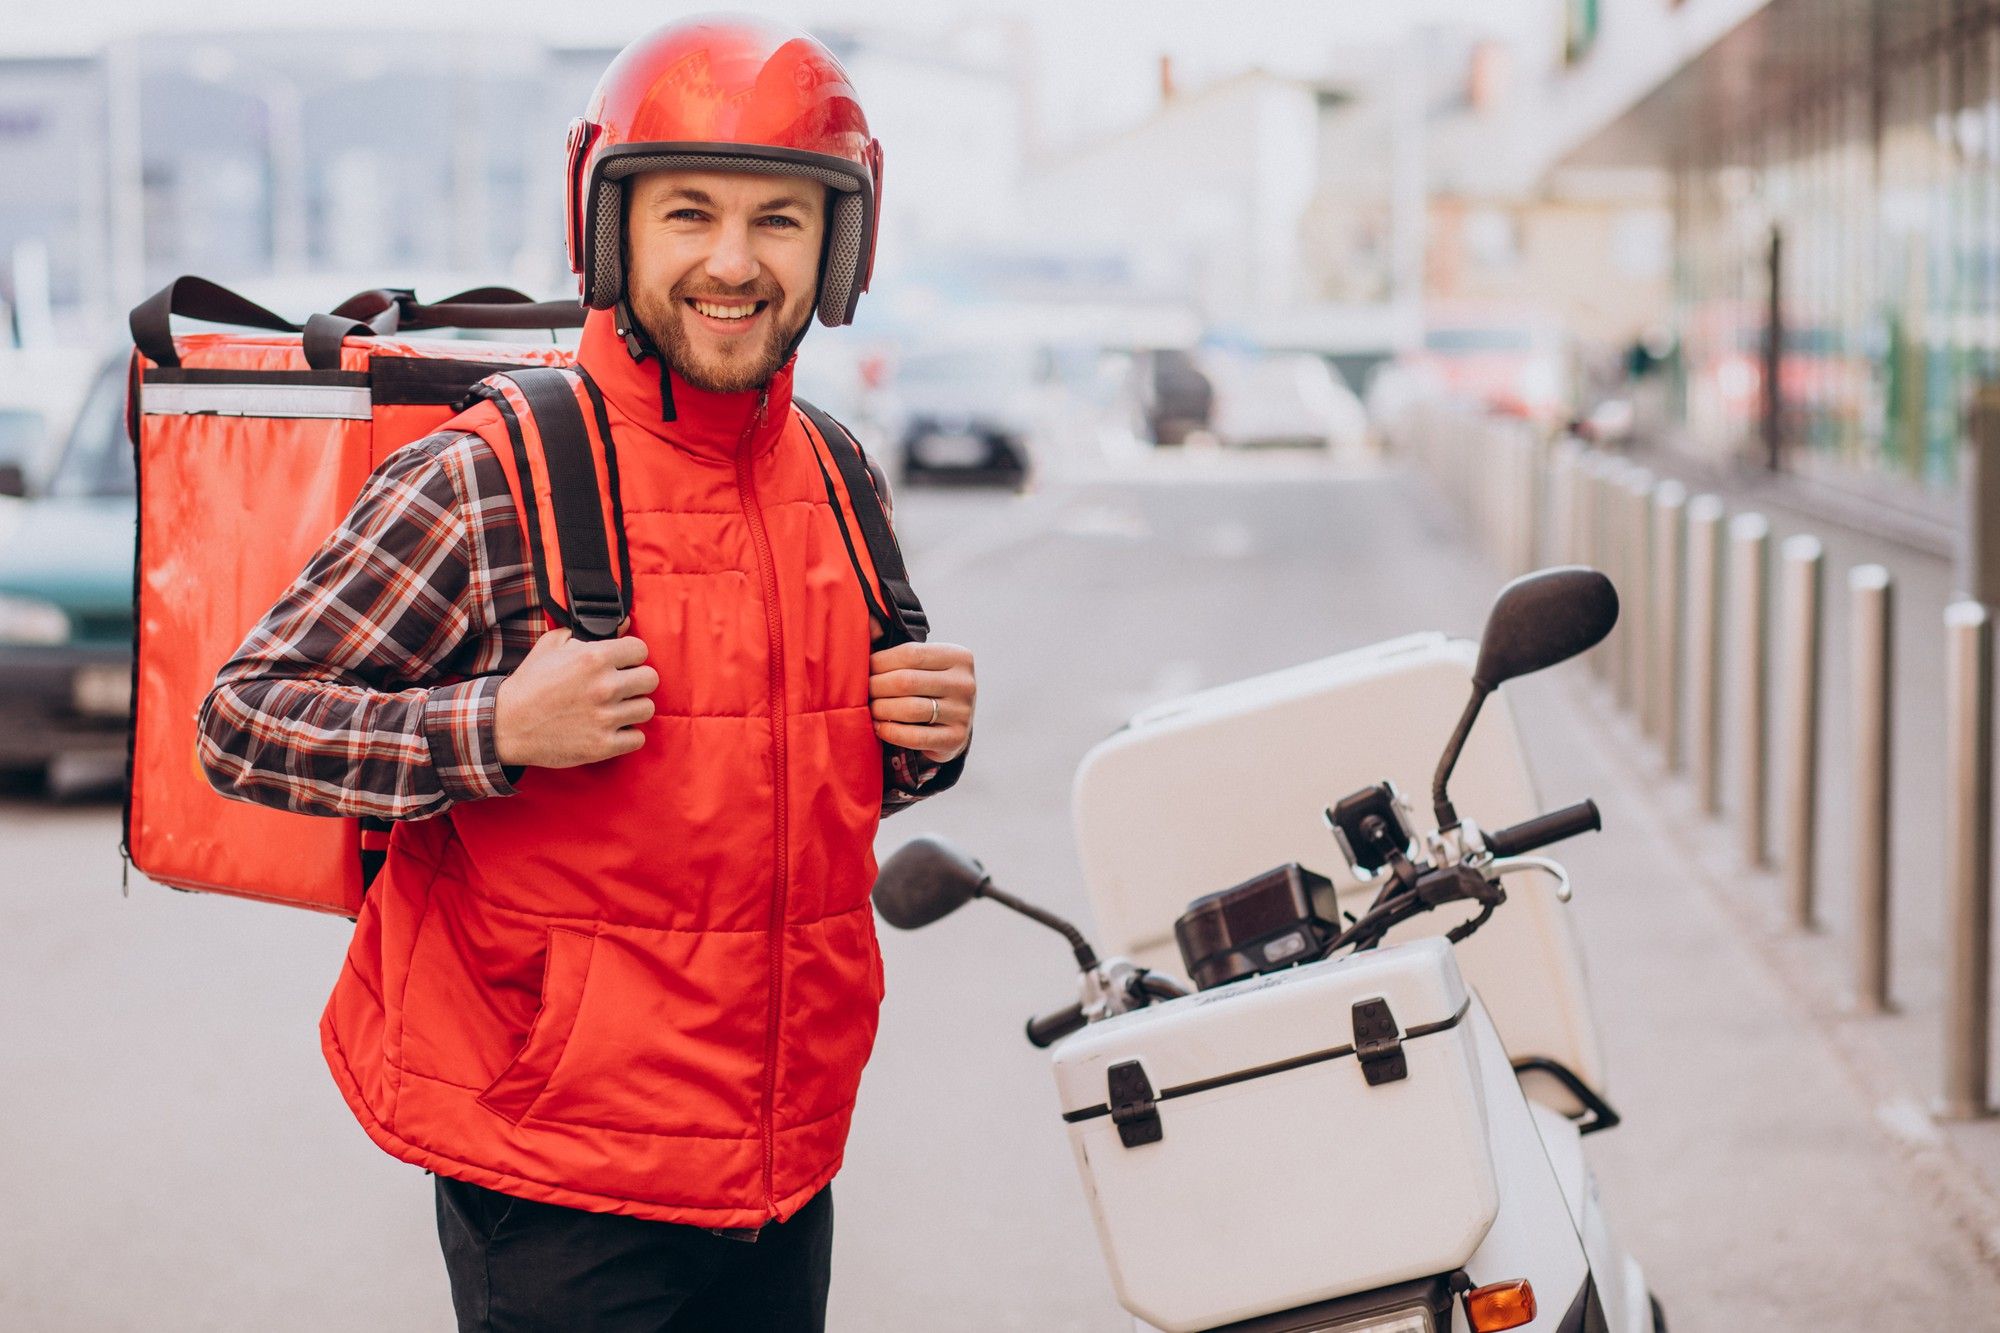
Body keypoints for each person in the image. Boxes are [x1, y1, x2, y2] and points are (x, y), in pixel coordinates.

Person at [196, 17, 974, 1331]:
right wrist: (494, 724)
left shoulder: (838, 475)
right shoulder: (488, 472)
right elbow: (243, 721)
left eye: (781, 220)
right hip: (558, 1176)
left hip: (779, 1164)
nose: (734, 263)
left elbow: (770, 793)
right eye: (688, 214)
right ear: (610, 225)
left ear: (841, 244)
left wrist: (919, 740)